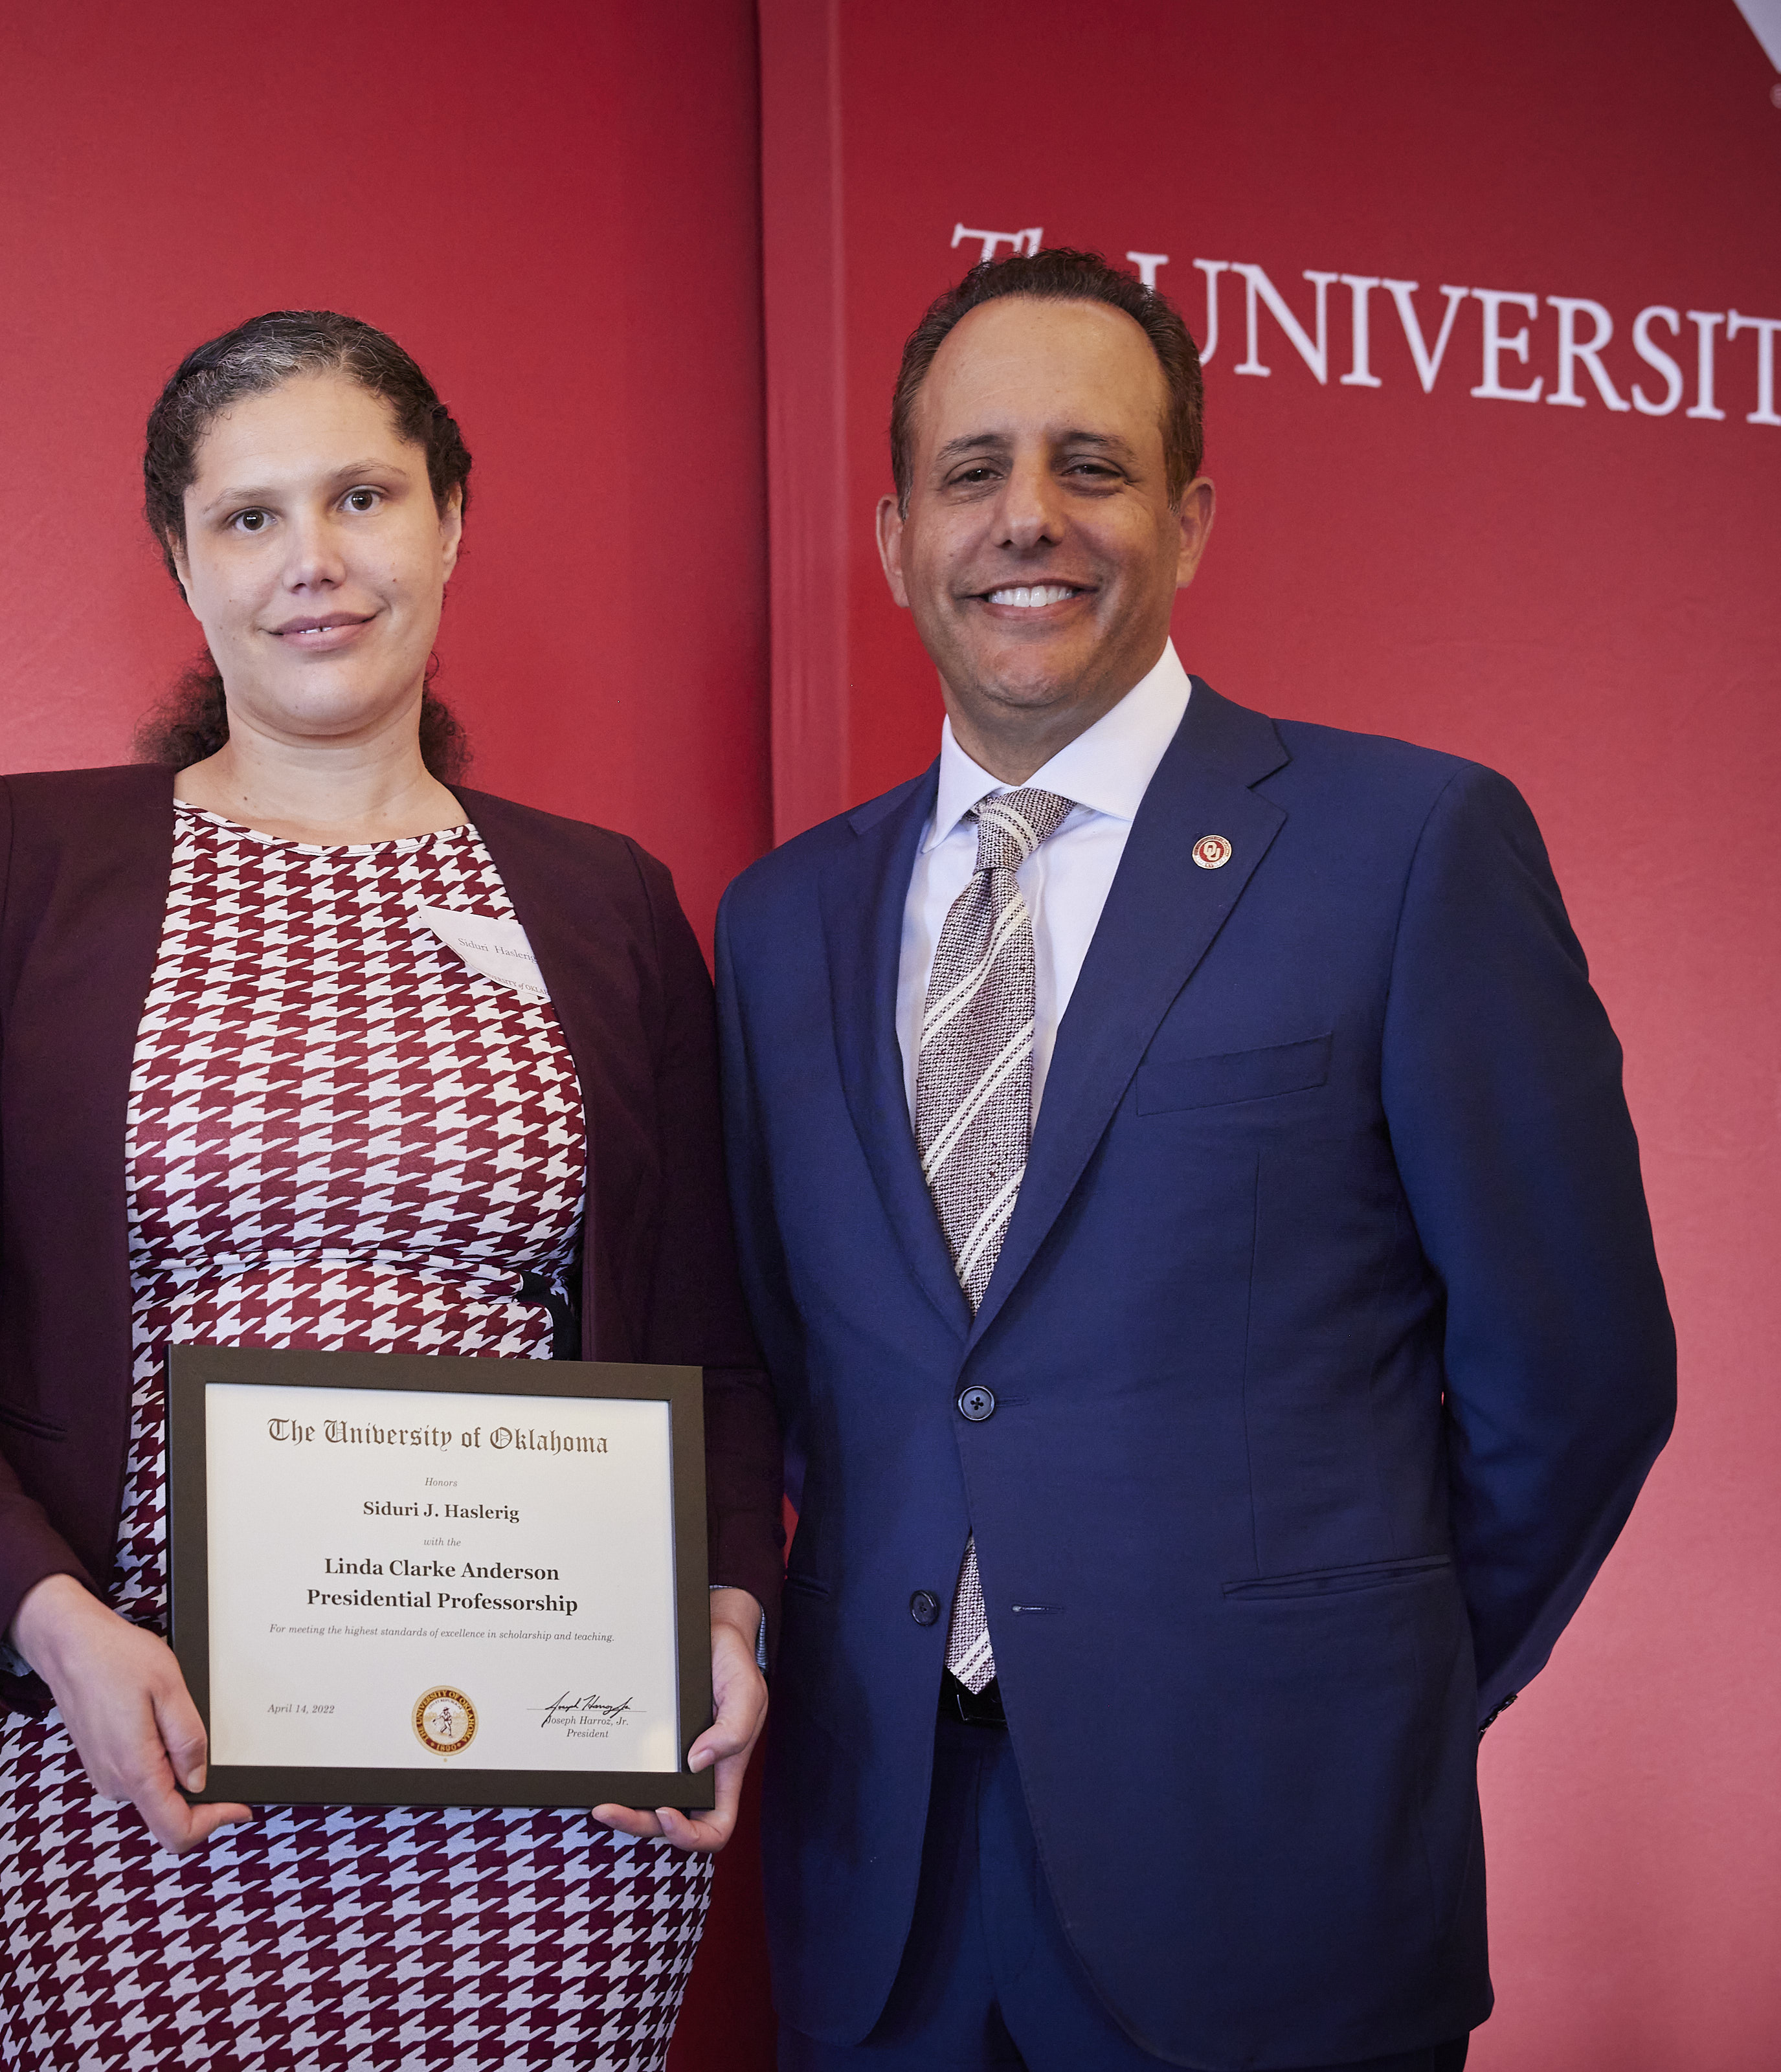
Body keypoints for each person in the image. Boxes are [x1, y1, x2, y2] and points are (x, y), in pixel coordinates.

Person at [714, 247, 1675, 2071]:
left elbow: (1580, 1374)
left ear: (1194, 514)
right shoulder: (782, 924)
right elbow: (803, 1371)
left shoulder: (1408, 849)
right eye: (972, 471)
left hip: (1277, 1875)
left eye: (1093, 465)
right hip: (885, 1904)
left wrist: (1359, 1694)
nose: (1028, 520)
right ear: (896, 529)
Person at [0, 309, 782, 2068]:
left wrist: (718, 1614)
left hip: (552, 1824)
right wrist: (54, 1635)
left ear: (452, 517)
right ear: (177, 558)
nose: (314, 563)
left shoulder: (609, 906)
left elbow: (712, 1351)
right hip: (138, 1777)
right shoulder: (16, 871)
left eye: (362, 496)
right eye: (250, 516)